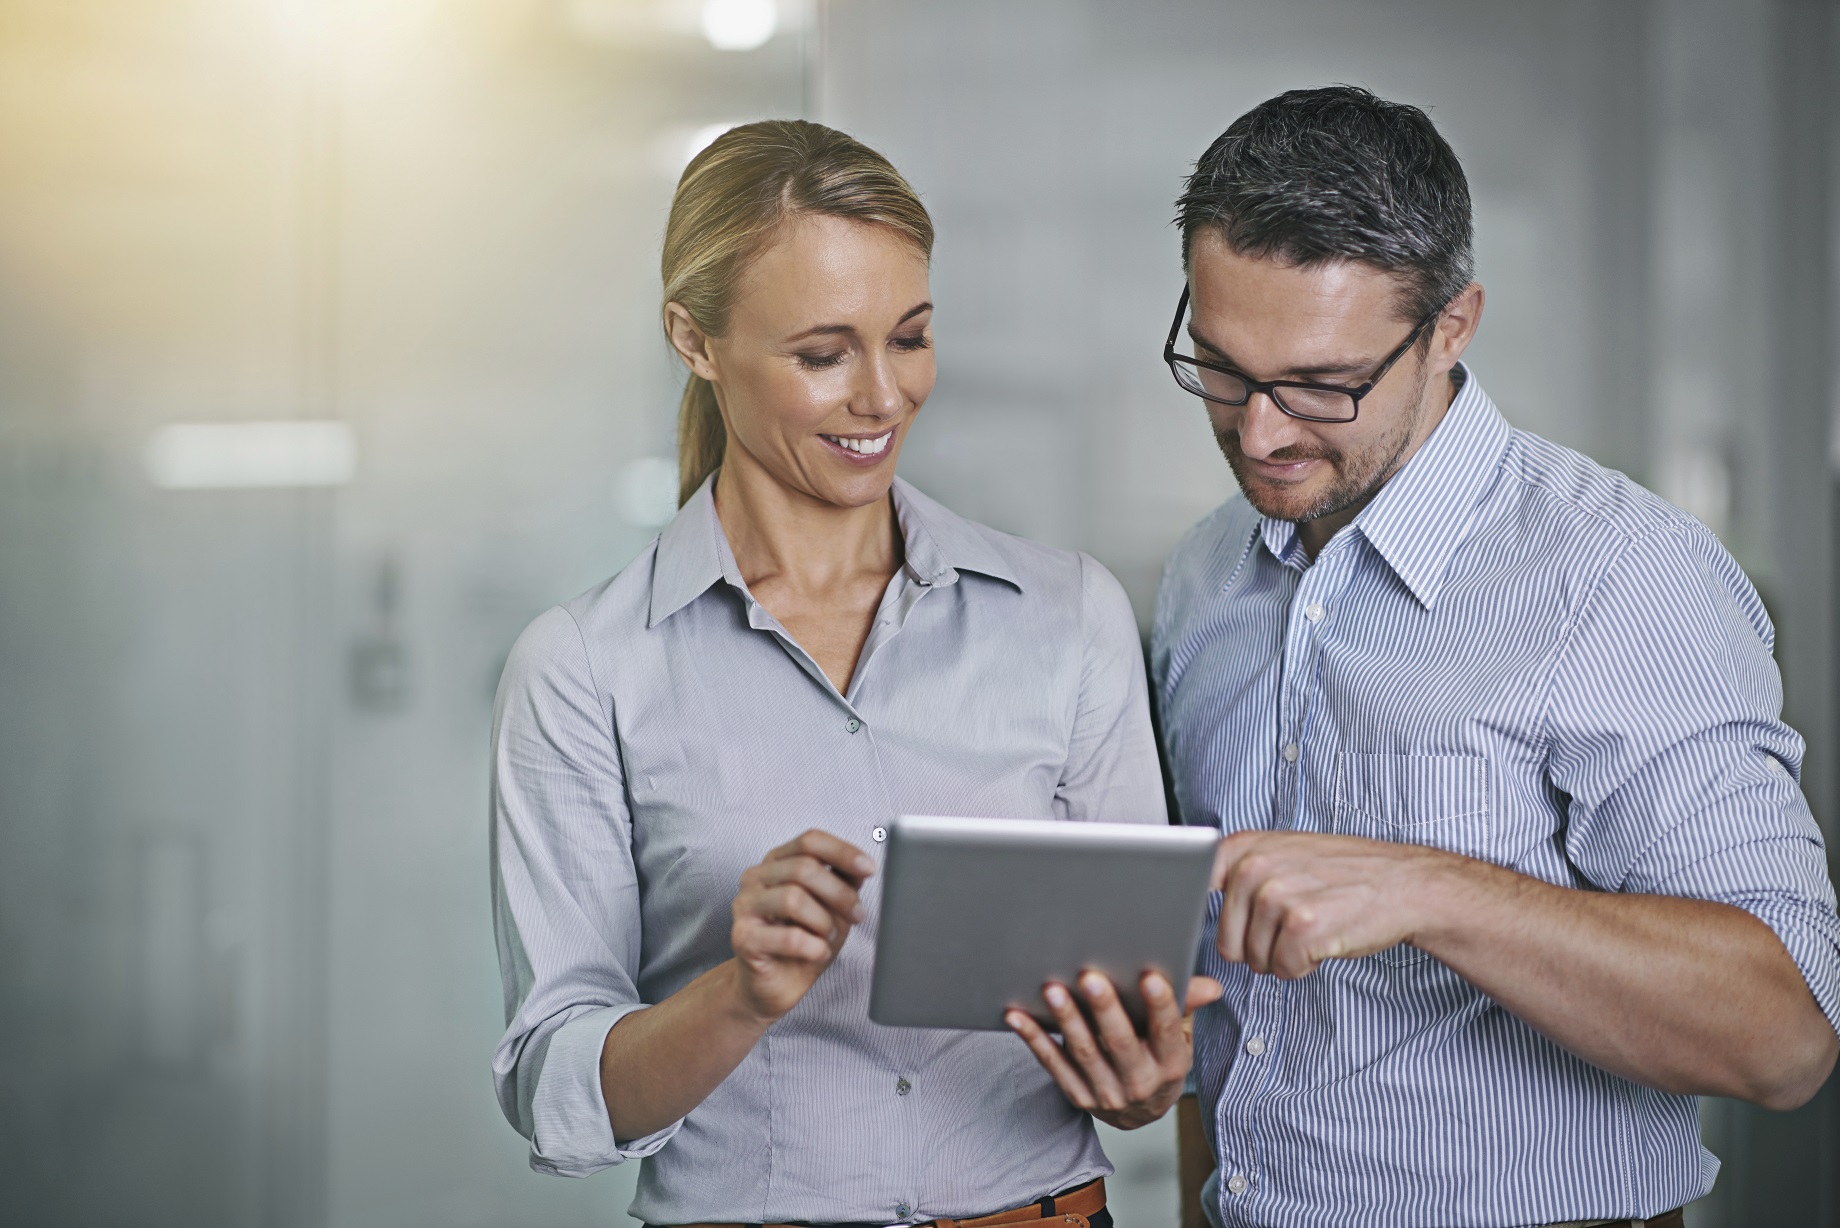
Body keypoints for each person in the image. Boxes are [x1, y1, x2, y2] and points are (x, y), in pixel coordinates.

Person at [1015, 86, 1840, 1226]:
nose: (1259, 432)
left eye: (1322, 384)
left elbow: (1785, 1036)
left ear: (1452, 327)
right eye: (1219, 366)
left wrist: (1426, 889)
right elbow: (1229, 1009)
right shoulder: (1207, 574)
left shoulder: (1621, 577)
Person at [488, 119, 1189, 1228]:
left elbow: (1141, 1036)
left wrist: (1144, 1075)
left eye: (909, 338)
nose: (884, 396)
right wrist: (739, 993)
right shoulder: (585, 669)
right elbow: (554, 1092)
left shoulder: (1066, 617)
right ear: (695, 339)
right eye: (823, 355)